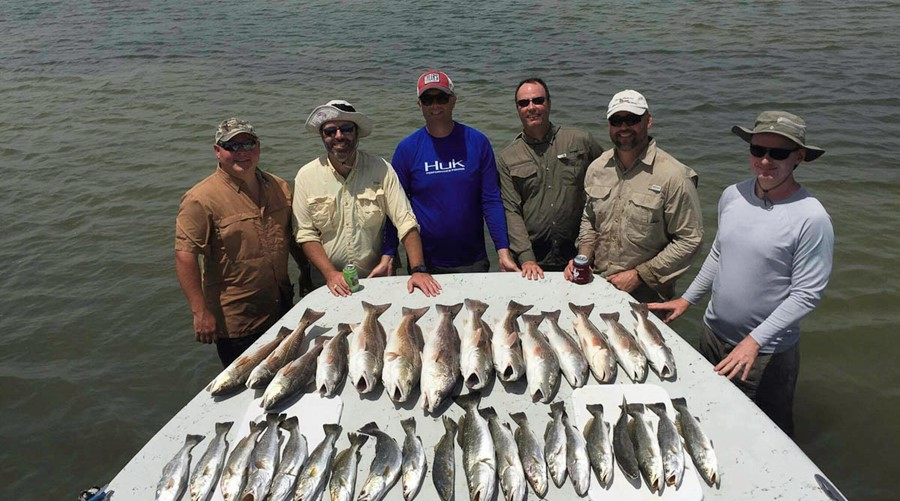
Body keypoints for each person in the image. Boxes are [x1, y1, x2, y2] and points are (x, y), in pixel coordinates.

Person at [648, 111, 834, 437]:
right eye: (757, 150)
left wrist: (754, 341)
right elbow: (719, 253)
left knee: (768, 435)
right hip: (712, 335)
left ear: (799, 158)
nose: (765, 161)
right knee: (710, 419)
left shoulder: (812, 217)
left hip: (766, 354)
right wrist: (687, 300)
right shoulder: (732, 195)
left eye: (778, 153)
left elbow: (807, 294)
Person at [175, 118, 307, 366]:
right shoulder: (200, 199)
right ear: (217, 151)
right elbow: (185, 256)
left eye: (248, 144)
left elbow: (291, 236)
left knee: (288, 379)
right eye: (232, 146)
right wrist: (200, 312)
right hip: (238, 321)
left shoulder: (278, 186)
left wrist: (306, 271)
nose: (242, 153)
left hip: (282, 306)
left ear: (258, 147)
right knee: (247, 391)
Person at [564, 89, 703, 302]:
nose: (624, 127)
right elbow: (590, 220)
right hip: (597, 284)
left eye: (632, 119)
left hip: (647, 296)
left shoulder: (674, 176)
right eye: (616, 120)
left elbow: (689, 239)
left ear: (648, 121)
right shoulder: (596, 168)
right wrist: (583, 257)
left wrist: (640, 275)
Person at [292, 100, 441, 297]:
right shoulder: (306, 176)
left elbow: (405, 221)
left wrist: (418, 270)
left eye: (346, 129)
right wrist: (331, 274)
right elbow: (305, 234)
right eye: (330, 131)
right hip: (327, 280)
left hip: (377, 275)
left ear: (356, 133)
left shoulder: (381, 169)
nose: (338, 136)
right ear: (322, 136)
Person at [383, 70, 519, 274]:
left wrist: (503, 251)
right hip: (424, 263)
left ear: (453, 100)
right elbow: (396, 209)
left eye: (442, 98)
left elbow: (491, 200)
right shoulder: (407, 150)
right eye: (428, 99)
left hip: (474, 259)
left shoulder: (478, 142)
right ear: (419, 104)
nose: (435, 105)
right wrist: (389, 255)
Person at [497, 78, 604, 279]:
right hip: (533, 261)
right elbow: (511, 211)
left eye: (538, 100)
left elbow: (608, 179)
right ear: (517, 108)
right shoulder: (507, 157)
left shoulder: (581, 141)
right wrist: (527, 258)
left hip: (579, 255)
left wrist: (590, 249)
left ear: (549, 103)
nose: (531, 107)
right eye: (524, 103)